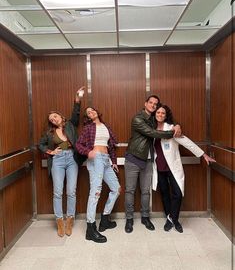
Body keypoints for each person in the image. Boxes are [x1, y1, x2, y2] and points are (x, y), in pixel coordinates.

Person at [152, 103, 216, 233]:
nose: (160, 115)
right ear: (154, 114)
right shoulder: (150, 129)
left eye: (163, 113)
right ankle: (172, 220)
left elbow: (186, 141)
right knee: (164, 193)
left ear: (166, 115)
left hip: (172, 167)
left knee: (177, 193)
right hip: (158, 167)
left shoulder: (171, 129)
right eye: (158, 112)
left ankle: (173, 219)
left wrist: (203, 155)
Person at [124, 95, 182, 233]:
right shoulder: (138, 118)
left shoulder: (153, 119)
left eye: (156, 104)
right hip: (133, 158)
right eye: (151, 103)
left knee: (145, 191)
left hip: (149, 160)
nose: (153, 105)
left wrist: (177, 125)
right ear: (145, 104)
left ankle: (145, 217)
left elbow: (164, 120)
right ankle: (129, 219)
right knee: (130, 190)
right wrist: (172, 132)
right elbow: (152, 133)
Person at [39, 87, 86, 237]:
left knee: (71, 191)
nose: (53, 119)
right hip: (58, 161)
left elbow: (76, 113)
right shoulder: (49, 133)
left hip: (72, 158)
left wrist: (77, 98)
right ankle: (60, 221)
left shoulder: (71, 124)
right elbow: (41, 144)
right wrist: (51, 152)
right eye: (51, 119)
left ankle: (70, 220)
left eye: (55, 116)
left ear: (60, 116)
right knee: (58, 192)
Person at [76, 107, 121, 243]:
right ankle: (90, 228)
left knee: (116, 189)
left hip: (106, 159)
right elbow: (78, 144)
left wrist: (113, 162)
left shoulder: (105, 127)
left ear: (97, 112)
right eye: (88, 113)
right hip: (96, 159)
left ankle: (105, 219)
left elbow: (111, 146)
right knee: (96, 192)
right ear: (88, 117)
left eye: (92, 110)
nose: (91, 112)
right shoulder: (88, 128)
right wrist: (87, 152)